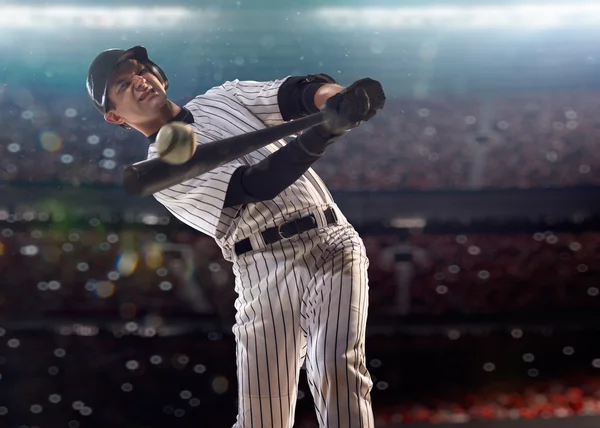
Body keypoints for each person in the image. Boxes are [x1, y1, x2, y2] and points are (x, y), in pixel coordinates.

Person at [86, 45, 385, 428]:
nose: (139, 81)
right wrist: (323, 133)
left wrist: (339, 100)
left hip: (331, 242)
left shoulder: (223, 97)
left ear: (158, 73)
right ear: (114, 116)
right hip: (262, 268)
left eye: (140, 71)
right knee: (263, 416)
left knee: (336, 367)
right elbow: (257, 184)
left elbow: (297, 93)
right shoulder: (159, 173)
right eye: (123, 85)